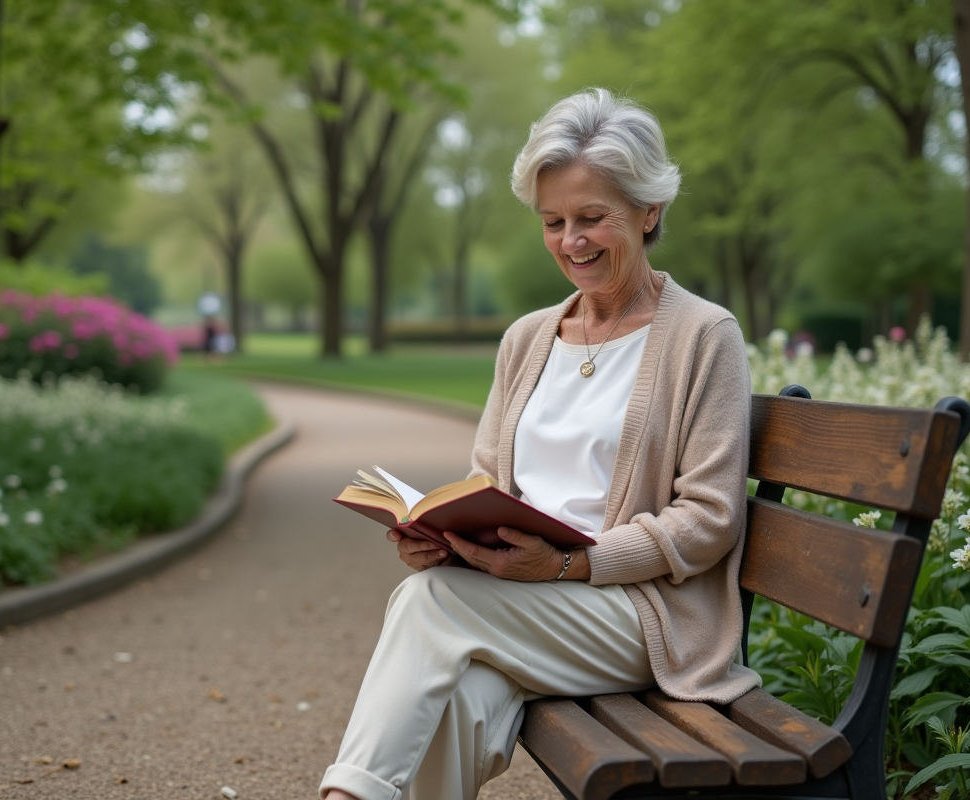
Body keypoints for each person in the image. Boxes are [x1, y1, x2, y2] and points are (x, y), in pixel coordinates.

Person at [320, 88, 761, 800]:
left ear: (649, 211)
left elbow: (709, 520)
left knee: (430, 603)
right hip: (520, 603)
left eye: (592, 218)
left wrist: (568, 565)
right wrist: (445, 540)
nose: (570, 241)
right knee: (461, 698)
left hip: (639, 615)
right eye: (553, 222)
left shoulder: (704, 335)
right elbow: (487, 481)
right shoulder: (527, 338)